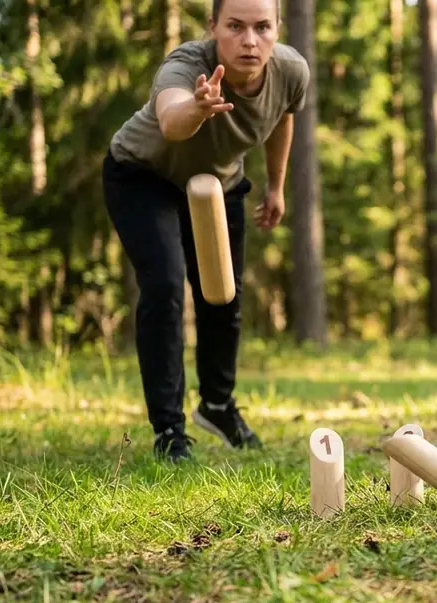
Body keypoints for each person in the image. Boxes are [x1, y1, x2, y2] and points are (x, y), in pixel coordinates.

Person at [102, 0, 309, 462]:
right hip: (143, 176)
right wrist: (198, 106)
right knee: (165, 286)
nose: (249, 40)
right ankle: (169, 431)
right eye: (235, 27)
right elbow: (172, 122)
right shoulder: (185, 65)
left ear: (277, 30)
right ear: (213, 27)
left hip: (218, 183)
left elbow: (283, 117)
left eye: (262, 27)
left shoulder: (291, 71)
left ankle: (216, 406)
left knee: (223, 297)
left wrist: (275, 187)